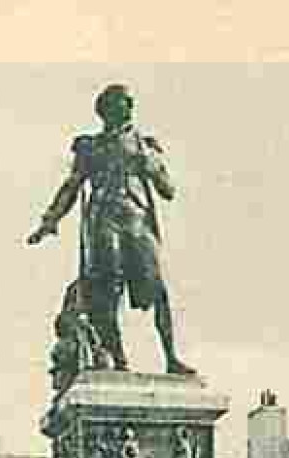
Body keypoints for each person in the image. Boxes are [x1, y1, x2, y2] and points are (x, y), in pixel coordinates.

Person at [28, 84, 196, 376]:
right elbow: (71, 186)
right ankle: (119, 360)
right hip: (104, 221)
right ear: (106, 110)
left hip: (137, 219)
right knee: (107, 291)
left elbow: (168, 190)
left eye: (129, 103)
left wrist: (152, 164)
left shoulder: (145, 145)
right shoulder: (91, 148)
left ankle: (171, 357)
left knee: (158, 290)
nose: (128, 108)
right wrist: (49, 221)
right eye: (122, 103)